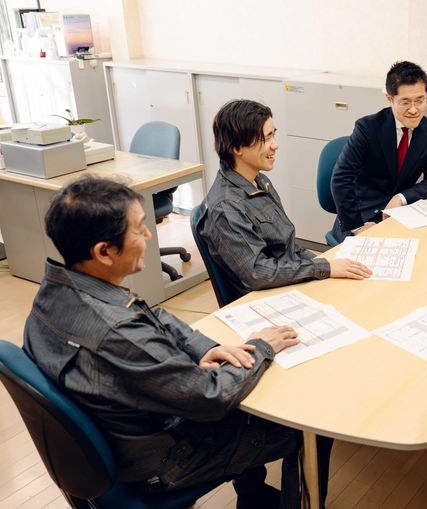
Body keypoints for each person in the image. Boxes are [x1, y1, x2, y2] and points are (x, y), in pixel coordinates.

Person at [24, 177, 304, 508]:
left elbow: (150, 313)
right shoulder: (118, 332)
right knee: (297, 426)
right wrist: (262, 347)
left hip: (122, 438)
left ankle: (253, 494)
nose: (148, 235)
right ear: (104, 251)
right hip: (165, 462)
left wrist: (203, 347)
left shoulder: (55, 291)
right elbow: (211, 395)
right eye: (139, 229)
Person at [198, 99, 371, 301]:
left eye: (274, 134)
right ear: (237, 148)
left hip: (290, 280)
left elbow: (288, 246)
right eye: (267, 138)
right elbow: (258, 273)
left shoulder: (259, 181)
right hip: (269, 297)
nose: (275, 145)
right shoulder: (226, 207)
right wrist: (324, 267)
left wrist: (328, 264)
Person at [330, 60, 427, 243]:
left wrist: (401, 198)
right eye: (405, 102)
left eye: (420, 100)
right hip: (362, 216)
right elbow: (341, 178)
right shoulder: (368, 128)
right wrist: (356, 226)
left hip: (400, 215)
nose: (414, 110)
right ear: (389, 99)